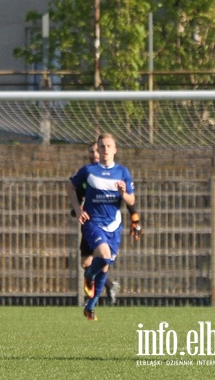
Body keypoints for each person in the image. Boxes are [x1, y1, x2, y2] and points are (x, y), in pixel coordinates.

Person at [67, 133, 134, 321]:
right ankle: (89, 274)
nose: (104, 150)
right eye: (101, 146)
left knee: (104, 267)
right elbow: (70, 187)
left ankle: (91, 306)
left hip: (114, 226)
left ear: (115, 149)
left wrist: (123, 194)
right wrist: (77, 209)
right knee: (102, 258)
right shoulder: (88, 171)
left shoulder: (123, 172)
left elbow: (131, 200)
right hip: (93, 223)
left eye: (108, 146)